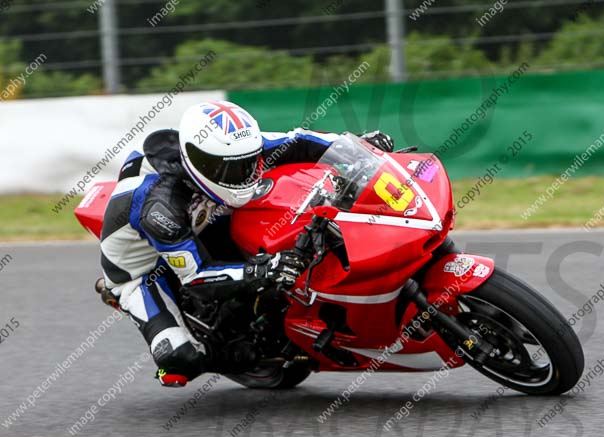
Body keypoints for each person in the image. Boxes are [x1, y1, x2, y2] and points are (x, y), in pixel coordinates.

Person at [98, 100, 393, 387]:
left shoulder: (230, 147)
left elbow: (299, 140)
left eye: (249, 164)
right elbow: (196, 277)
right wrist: (260, 272)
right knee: (180, 359)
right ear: (199, 163)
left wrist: (358, 151)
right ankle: (229, 355)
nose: (246, 175)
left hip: (203, 219)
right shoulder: (160, 207)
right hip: (146, 271)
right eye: (233, 170)